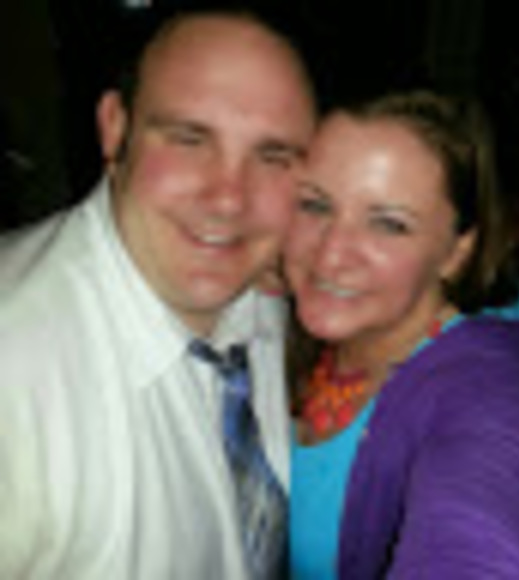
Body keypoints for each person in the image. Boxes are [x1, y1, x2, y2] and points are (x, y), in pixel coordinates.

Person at [0, 8, 315, 580]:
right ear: (114, 128)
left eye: (273, 157)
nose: (229, 199)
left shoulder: (275, 292)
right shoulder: (15, 374)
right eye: (190, 139)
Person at [285, 89, 519, 579]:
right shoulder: (278, 323)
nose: (330, 254)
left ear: (457, 252)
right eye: (315, 205)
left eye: (388, 224)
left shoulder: (494, 391)